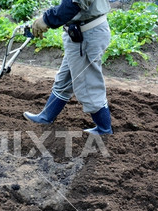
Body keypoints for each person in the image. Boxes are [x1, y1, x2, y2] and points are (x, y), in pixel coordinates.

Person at [24, 0, 113, 135]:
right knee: (65, 79)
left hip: (86, 35)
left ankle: (104, 129)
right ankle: (46, 117)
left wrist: (47, 19)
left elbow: (73, 4)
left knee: (88, 85)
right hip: (80, 33)